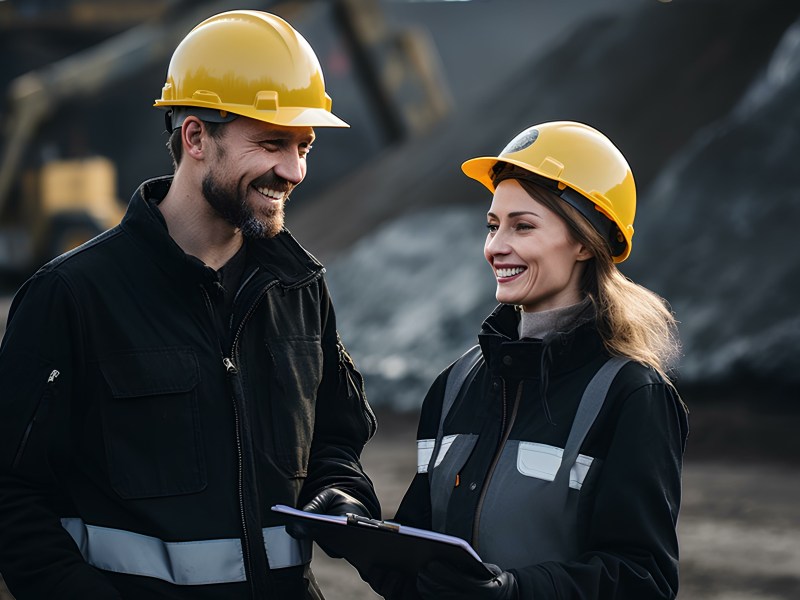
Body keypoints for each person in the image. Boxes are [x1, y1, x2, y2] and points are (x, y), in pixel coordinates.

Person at [0, 10, 380, 600]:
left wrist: (342, 491)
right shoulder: (73, 297)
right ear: (196, 137)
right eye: (272, 143)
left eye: (303, 145)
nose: (294, 170)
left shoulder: (299, 289)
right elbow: (11, 493)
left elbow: (334, 438)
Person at [365, 121, 689, 599]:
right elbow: (420, 557)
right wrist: (360, 537)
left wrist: (515, 592)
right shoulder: (454, 385)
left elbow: (643, 580)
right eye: (493, 226)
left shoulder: (632, 396)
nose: (496, 247)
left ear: (584, 241)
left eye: (523, 226)